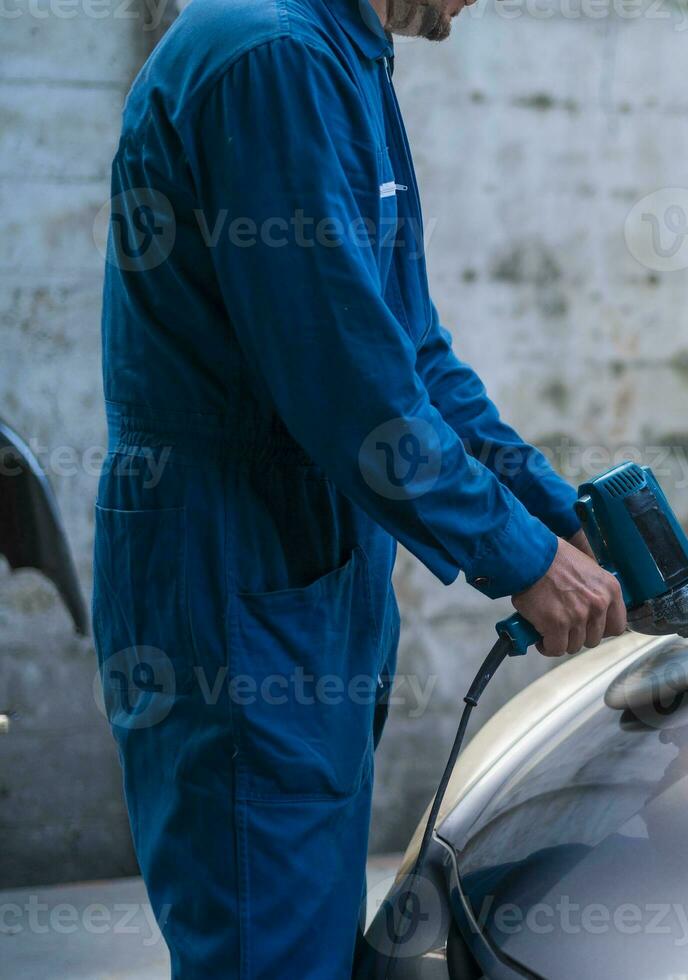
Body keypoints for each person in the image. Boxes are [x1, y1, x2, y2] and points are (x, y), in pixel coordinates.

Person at [93, 0, 624, 972]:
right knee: (267, 939)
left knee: (302, 917)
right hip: (231, 554)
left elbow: (411, 349)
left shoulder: (347, 54)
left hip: (303, 560)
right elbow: (351, 385)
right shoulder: (273, 58)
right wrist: (518, 556)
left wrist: (559, 515)